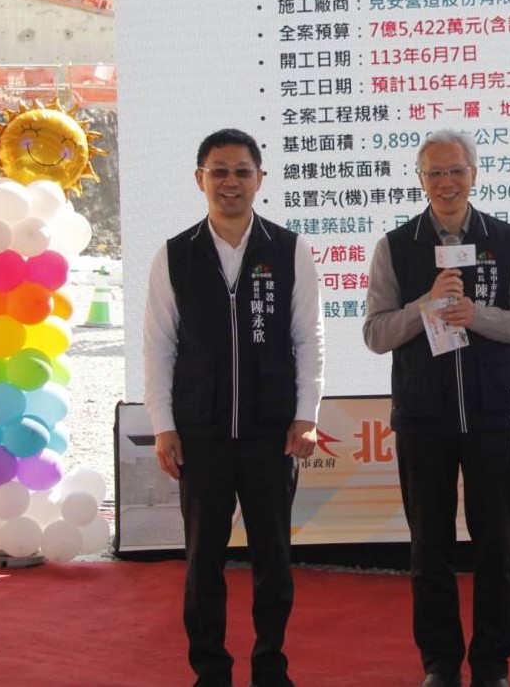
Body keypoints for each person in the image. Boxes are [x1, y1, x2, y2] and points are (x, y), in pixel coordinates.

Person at [363, 129, 510, 687]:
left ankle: (492, 664)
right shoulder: (396, 246)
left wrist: (477, 315)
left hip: (491, 417)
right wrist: (424, 306)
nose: (446, 183)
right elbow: (375, 334)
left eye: (456, 171)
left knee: (497, 548)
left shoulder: (505, 240)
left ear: (474, 175)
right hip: (423, 419)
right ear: (420, 180)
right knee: (430, 549)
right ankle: (440, 664)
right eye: (435, 173)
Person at [143, 127, 324, 687]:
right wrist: (164, 426)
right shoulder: (175, 254)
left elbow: (308, 338)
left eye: (242, 171)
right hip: (201, 433)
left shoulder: (289, 249)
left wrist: (306, 414)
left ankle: (271, 666)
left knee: (274, 558)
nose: (230, 182)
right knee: (203, 562)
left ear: (260, 179)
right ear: (200, 179)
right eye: (219, 171)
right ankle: (211, 670)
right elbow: (159, 346)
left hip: (272, 432)